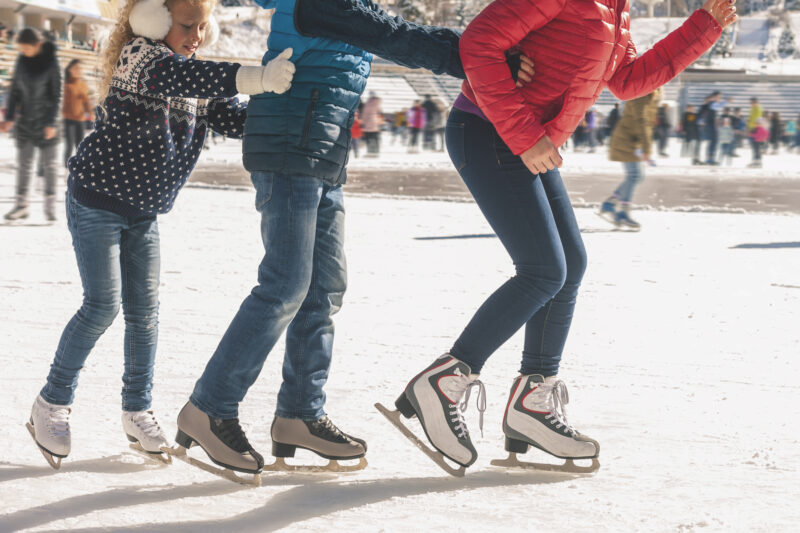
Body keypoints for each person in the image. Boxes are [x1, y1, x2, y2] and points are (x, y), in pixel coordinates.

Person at [386, 0, 736, 472]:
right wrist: (526, 136)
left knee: (568, 267)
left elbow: (627, 79)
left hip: (526, 137)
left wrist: (704, 27)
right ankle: (445, 378)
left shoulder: (615, 9)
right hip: (490, 129)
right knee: (543, 271)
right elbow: (479, 43)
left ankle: (533, 399)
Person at [24, 0, 295, 468]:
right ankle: (51, 403)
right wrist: (257, 76)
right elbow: (188, 78)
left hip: (143, 213)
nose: (195, 35)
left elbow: (237, 119)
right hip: (96, 201)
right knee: (102, 304)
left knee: (145, 316)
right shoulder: (140, 59)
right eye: (185, 25)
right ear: (154, 21)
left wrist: (290, 109)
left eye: (201, 26)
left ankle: (136, 411)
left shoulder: (192, 78)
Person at [1, 28, 61, 222]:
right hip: (26, 120)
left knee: (49, 164)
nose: (23, 51)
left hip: (46, 121)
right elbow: (15, 91)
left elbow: (56, 95)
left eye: (26, 48)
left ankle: (50, 206)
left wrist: (51, 122)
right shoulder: (21, 61)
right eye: (21, 48)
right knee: (24, 164)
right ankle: (21, 205)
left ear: (37, 45)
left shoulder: (52, 62)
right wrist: (9, 117)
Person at [599, 89, 661, 230]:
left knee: (638, 176)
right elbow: (642, 121)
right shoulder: (642, 92)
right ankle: (623, 212)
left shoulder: (653, 90)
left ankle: (610, 204)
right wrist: (647, 148)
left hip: (633, 141)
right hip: (626, 141)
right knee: (634, 176)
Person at [62, 59, 94, 166]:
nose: (79, 71)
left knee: (80, 145)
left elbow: (87, 100)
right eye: (76, 68)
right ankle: (66, 168)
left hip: (80, 119)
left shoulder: (84, 85)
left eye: (80, 69)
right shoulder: (65, 85)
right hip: (68, 120)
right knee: (69, 145)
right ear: (70, 70)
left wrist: (90, 112)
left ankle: (79, 167)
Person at [361, 91, 383, 155]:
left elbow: (364, 114)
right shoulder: (378, 103)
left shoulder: (368, 103)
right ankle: (376, 150)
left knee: (368, 138)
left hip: (368, 122)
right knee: (375, 138)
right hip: (375, 123)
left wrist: (363, 123)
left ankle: (370, 151)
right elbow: (380, 113)